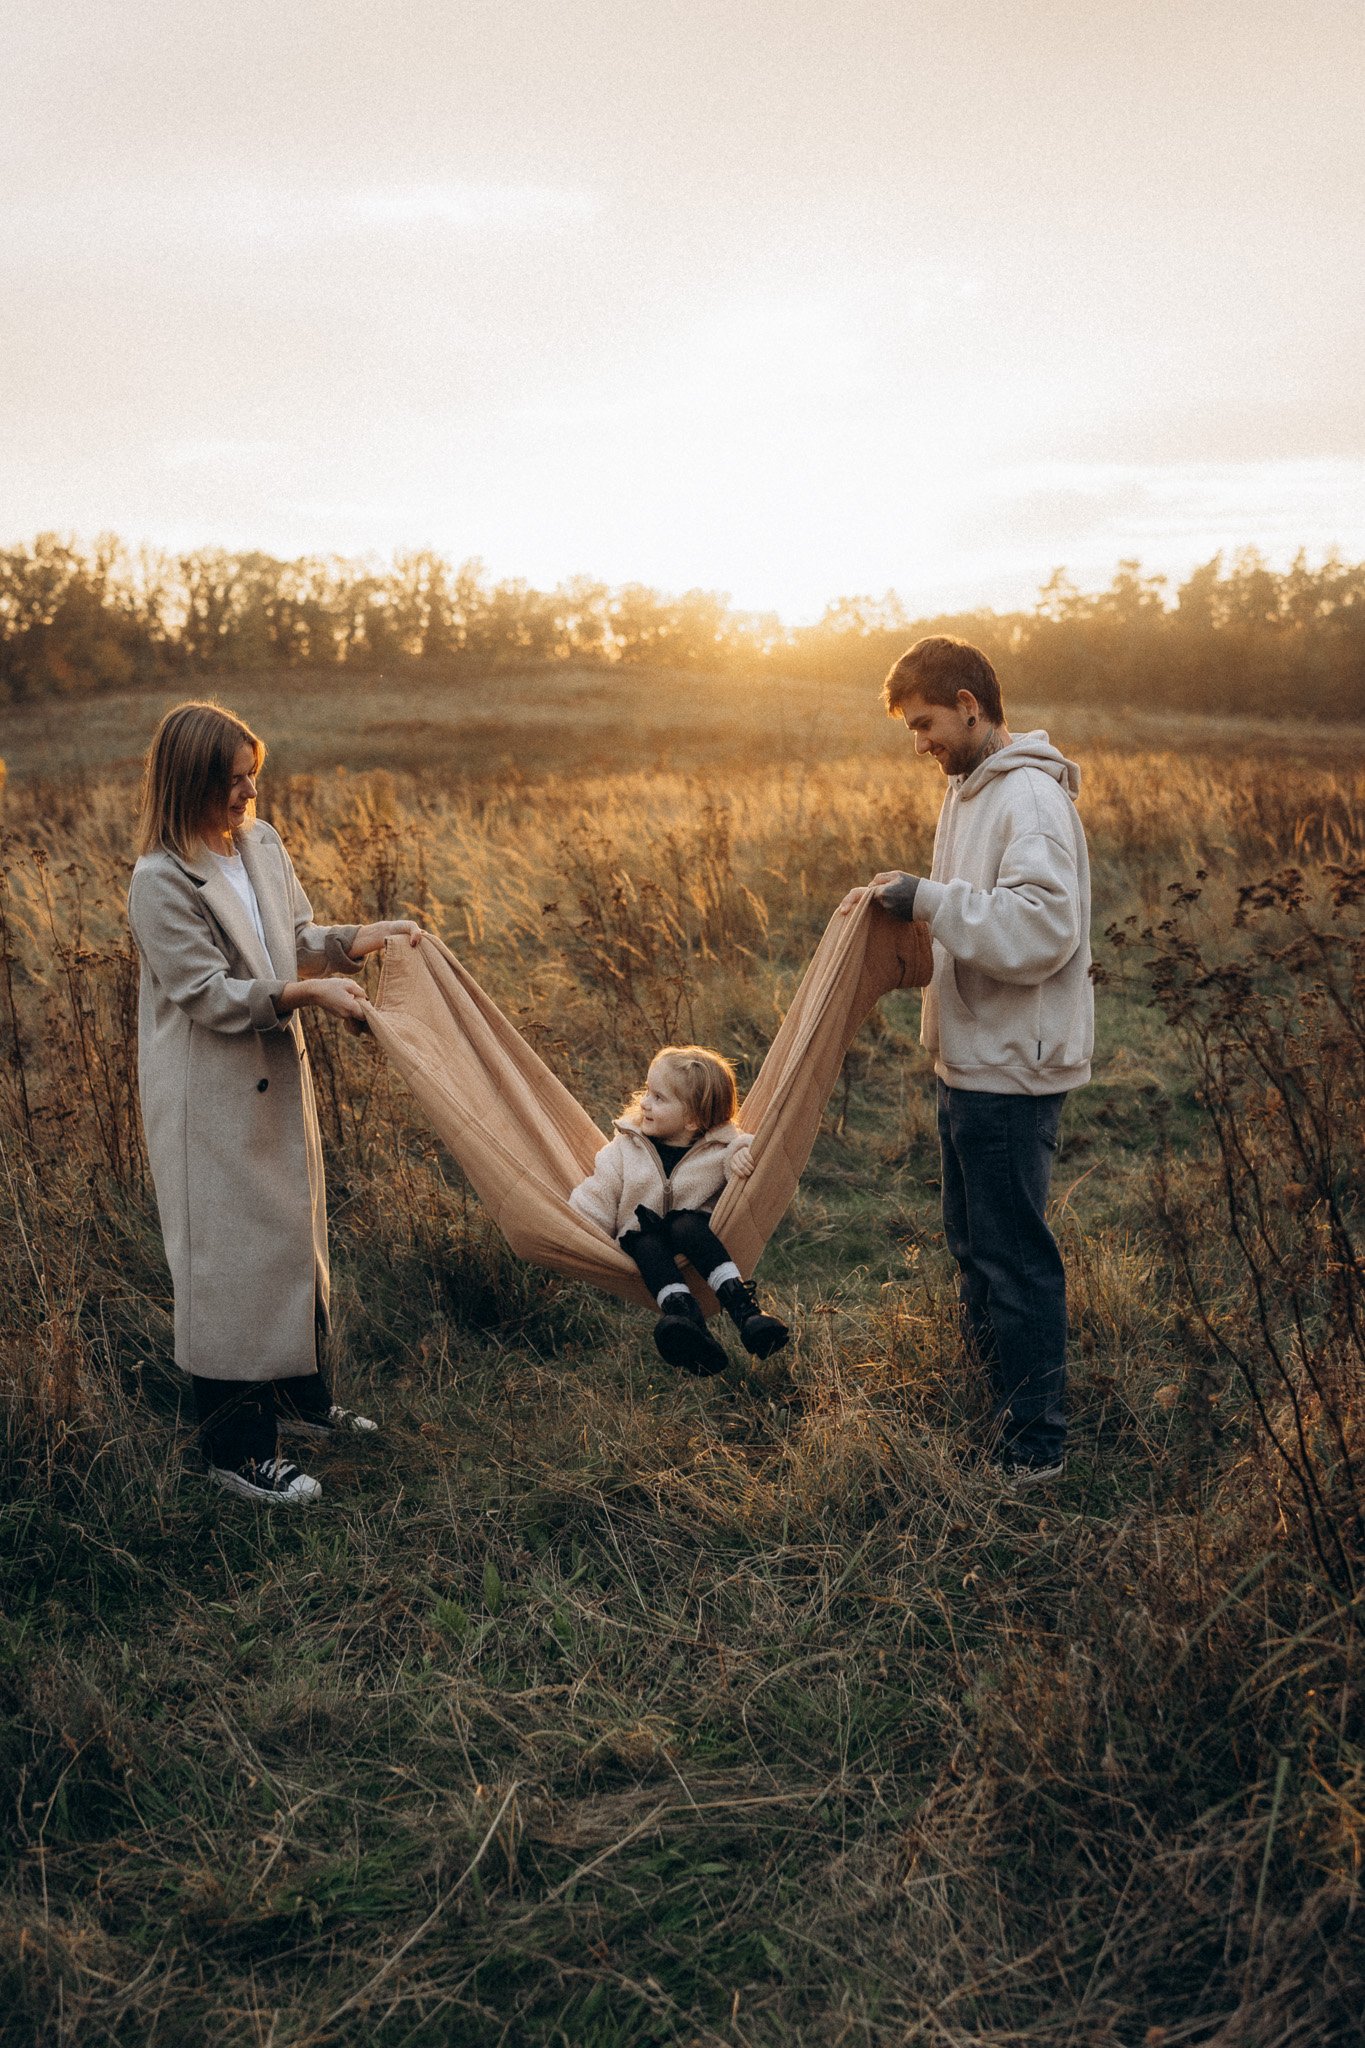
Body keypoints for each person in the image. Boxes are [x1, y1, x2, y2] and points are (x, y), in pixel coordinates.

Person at [127, 701, 422, 1505]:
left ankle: (300, 1402)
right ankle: (235, 1450)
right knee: (229, 1265)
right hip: (211, 1097)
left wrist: (356, 938)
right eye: (231, 780)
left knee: (293, 1240)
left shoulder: (257, 843)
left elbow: (293, 933)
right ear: (188, 781)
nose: (247, 794)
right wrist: (308, 995)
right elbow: (208, 995)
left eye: (253, 775)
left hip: (273, 1078)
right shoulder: (160, 880)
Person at [842, 636, 1093, 1484]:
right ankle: (1002, 1414)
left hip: (1010, 1073)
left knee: (1014, 1261)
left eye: (925, 723)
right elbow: (971, 914)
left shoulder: (1027, 797)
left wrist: (930, 898)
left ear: (969, 703)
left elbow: (1043, 927)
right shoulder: (968, 790)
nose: (920, 742)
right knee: (974, 1250)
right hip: (968, 1063)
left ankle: (1033, 1451)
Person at [569, 1045, 789, 1376]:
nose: (644, 1102)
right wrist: (573, 1226)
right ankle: (686, 1323)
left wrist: (740, 1156)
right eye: (647, 1091)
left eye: (658, 1097)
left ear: (693, 1120)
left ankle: (746, 1313)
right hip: (643, 1242)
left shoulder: (717, 1147)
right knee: (643, 1241)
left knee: (685, 1224)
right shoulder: (626, 1148)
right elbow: (602, 1189)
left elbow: (741, 1146)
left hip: (695, 1238)